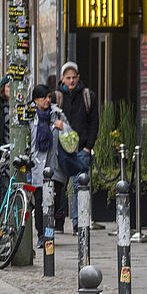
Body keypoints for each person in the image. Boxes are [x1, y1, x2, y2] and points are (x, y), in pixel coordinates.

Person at [53, 62, 98, 232]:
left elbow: (94, 122)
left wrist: (88, 146)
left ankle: (79, 224)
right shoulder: (56, 97)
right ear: (62, 79)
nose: (71, 81)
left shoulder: (87, 96)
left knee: (81, 186)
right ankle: (58, 222)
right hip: (61, 150)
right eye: (68, 78)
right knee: (60, 187)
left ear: (78, 78)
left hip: (81, 149)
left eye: (74, 78)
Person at [27, 84, 68, 248]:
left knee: (54, 203)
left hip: (55, 166)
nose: (48, 100)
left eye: (49, 97)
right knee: (40, 202)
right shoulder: (29, 116)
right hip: (37, 167)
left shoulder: (58, 114)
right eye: (44, 97)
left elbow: (70, 136)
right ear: (36, 99)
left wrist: (63, 128)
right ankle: (42, 235)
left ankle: (49, 234)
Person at [0, 78, 11, 147]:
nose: (11, 89)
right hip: (2, 145)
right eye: (9, 86)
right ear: (3, 88)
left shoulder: (19, 105)